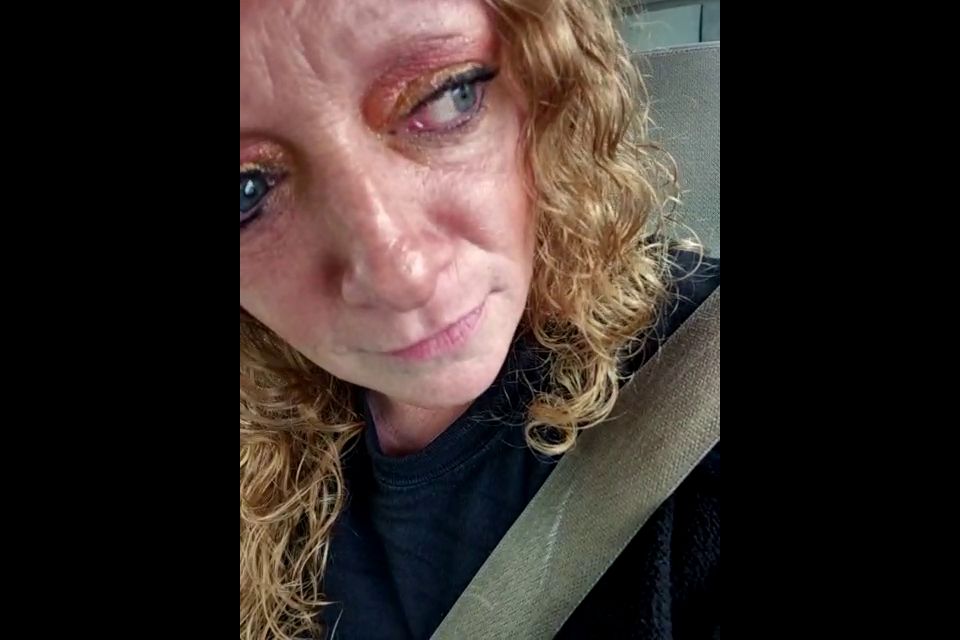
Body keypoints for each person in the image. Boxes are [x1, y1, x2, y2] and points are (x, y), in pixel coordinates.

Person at [240, 0, 720, 638]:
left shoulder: (702, 385)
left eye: (447, 96)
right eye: (247, 191)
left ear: (544, 84)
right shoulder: (257, 430)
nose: (401, 276)